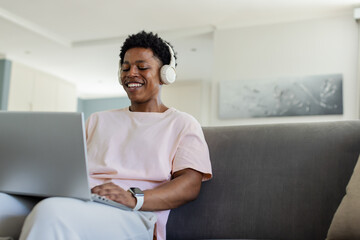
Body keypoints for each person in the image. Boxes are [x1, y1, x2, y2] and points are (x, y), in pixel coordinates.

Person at [0, 31, 212, 240]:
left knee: (52, 213)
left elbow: (190, 185)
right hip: (78, 200)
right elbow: (65, 167)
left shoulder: (182, 123)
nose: (131, 73)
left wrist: (134, 197)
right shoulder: (97, 120)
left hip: (133, 213)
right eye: (126, 67)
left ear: (166, 74)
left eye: (142, 67)